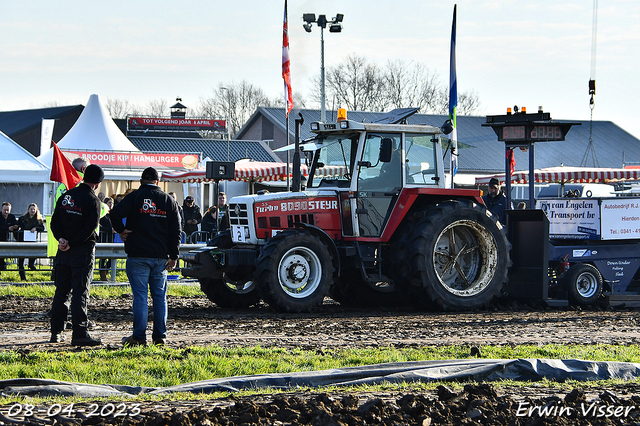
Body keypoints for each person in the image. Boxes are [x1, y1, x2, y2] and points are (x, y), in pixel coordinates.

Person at [110, 167, 182, 346]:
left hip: (138, 254)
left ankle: (139, 337)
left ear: (141, 180)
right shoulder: (168, 200)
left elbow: (115, 213)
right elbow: (176, 231)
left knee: (140, 297)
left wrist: (122, 230)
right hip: (160, 256)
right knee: (159, 297)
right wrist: (174, 255)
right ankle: (160, 336)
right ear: (158, 181)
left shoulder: (134, 197)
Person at [49, 164, 104, 346]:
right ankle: (79, 333)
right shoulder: (93, 200)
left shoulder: (67, 196)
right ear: (97, 183)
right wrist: (72, 242)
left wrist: (62, 240)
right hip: (82, 253)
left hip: (63, 252)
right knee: (81, 293)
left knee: (61, 292)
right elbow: (89, 229)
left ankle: (56, 332)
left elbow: (54, 221)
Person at [17, 203, 45, 280]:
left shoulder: (38, 220)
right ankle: (23, 277)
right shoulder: (22, 218)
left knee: (33, 255)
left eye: (34, 209)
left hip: (32, 240)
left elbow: (42, 228)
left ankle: (31, 265)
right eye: (31, 209)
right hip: (23, 241)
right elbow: (17, 227)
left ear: (36, 210)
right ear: (28, 210)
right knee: (21, 260)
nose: (32, 210)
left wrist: (36, 228)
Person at [0, 202, 19, 271]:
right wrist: (7, 228)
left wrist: (15, 227)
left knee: (2, 258)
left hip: (6, 240)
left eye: (7, 210)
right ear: (1, 209)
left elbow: (16, 225)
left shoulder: (11, 217)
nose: (6, 212)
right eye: (4, 210)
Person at [99, 197, 114, 281]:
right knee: (103, 258)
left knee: (111, 258)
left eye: (112, 203)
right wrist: (109, 230)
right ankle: (102, 274)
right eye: (109, 203)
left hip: (111, 238)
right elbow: (100, 227)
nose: (111, 205)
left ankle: (106, 270)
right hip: (103, 238)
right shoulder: (102, 215)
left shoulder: (112, 215)